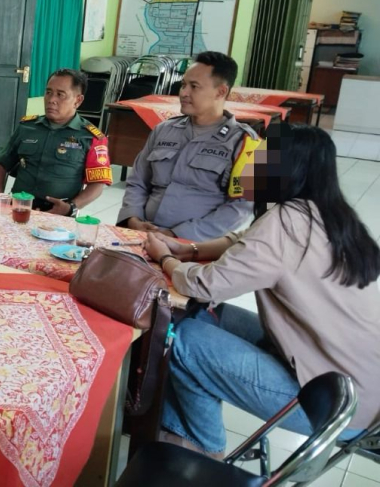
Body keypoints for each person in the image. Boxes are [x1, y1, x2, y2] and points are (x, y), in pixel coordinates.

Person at [143, 122, 380, 459]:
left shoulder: (288, 222)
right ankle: (171, 423)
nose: (248, 165)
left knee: (183, 338)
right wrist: (191, 250)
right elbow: (245, 240)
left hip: (333, 400)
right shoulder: (326, 213)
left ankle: (202, 449)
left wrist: (165, 258)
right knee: (201, 315)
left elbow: (205, 284)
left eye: (260, 158)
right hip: (353, 381)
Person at [118, 51, 260, 241]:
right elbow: (137, 181)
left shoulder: (247, 143)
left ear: (221, 92)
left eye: (194, 86)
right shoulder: (164, 129)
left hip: (197, 245)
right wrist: (133, 219)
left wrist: (177, 234)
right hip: (143, 234)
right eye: (183, 84)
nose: (183, 93)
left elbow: (242, 207)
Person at [0, 69, 111, 217]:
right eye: (48, 92)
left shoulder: (91, 137)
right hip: (18, 207)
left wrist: (71, 207)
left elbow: (98, 183)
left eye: (60, 94)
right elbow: (2, 164)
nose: (51, 99)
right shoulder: (27, 127)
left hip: (60, 213)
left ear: (78, 100)